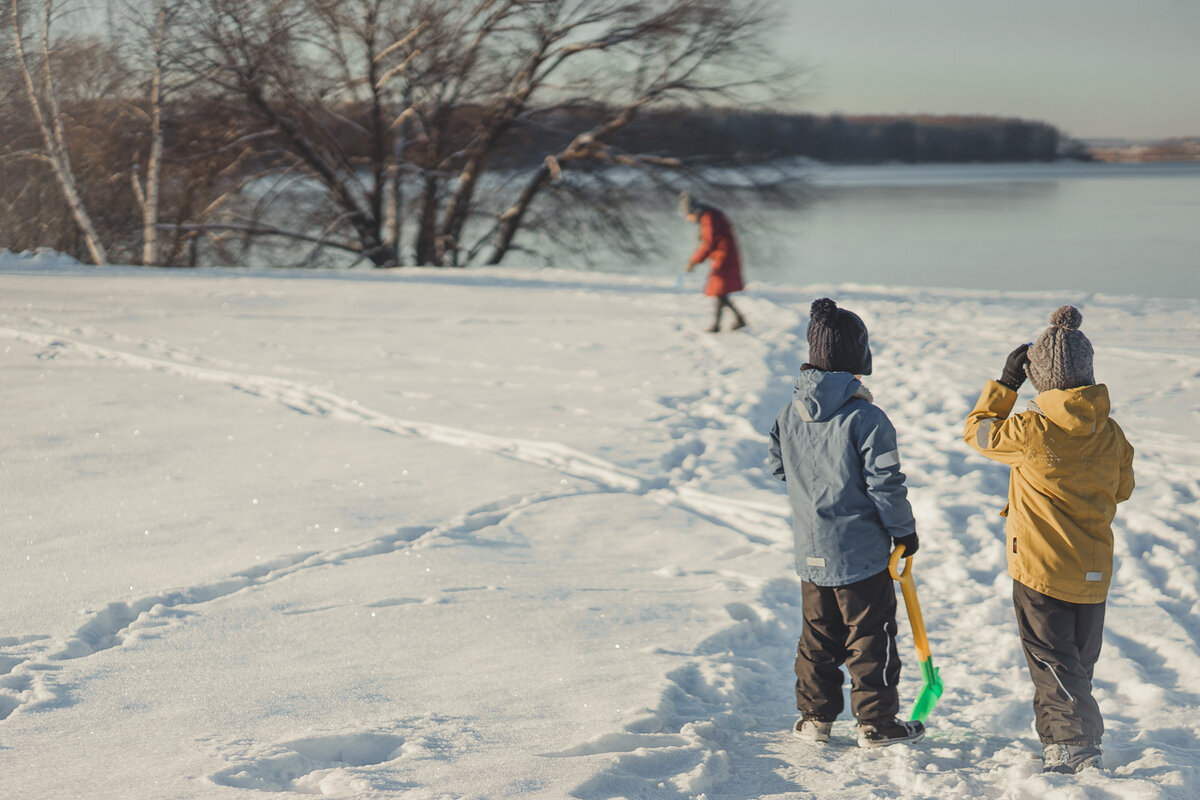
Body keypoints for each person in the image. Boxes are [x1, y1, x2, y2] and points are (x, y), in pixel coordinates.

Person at [963, 305, 1134, 774]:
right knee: (1075, 663)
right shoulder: (1111, 433)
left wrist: (1003, 387)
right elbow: (1123, 488)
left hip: (1041, 569)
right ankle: (1059, 736)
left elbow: (977, 434)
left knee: (1053, 662)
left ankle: (1074, 744)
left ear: (1041, 379)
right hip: (1093, 571)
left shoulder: (1030, 428)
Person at [768, 298, 924, 748]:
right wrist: (903, 530)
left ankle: (816, 719)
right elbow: (886, 484)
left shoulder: (788, 413)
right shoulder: (867, 418)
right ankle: (876, 724)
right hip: (860, 555)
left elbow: (779, 468)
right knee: (870, 636)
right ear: (857, 361)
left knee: (817, 637)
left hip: (810, 551)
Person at [680, 192, 746, 332]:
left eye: (687, 215)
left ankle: (720, 325)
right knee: (720, 292)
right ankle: (735, 320)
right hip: (722, 256)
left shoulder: (709, 218)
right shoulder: (709, 215)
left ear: (692, 212)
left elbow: (708, 243)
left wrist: (693, 261)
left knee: (719, 291)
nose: (687, 219)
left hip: (724, 258)